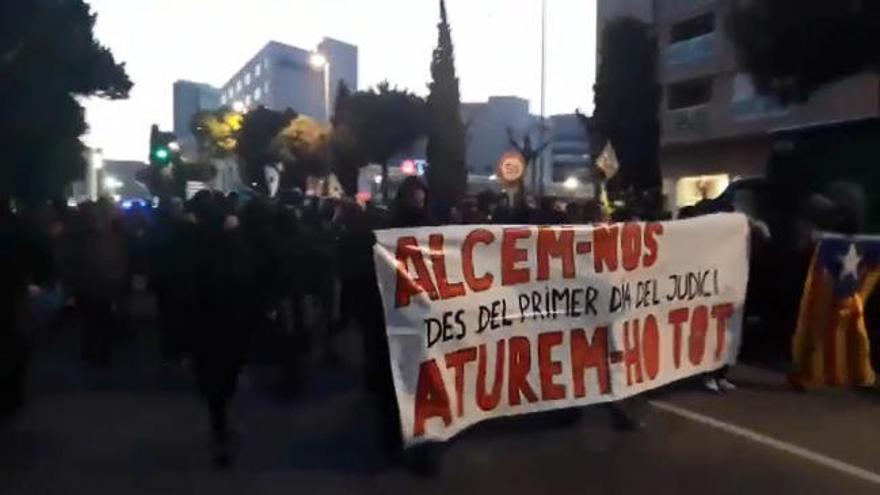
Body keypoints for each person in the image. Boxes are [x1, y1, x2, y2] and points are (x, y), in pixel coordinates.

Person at [188, 191, 257, 468]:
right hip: (230, 319)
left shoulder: (193, 241)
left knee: (211, 376)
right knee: (228, 371)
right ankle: (225, 422)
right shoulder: (233, 241)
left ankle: (219, 423)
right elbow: (245, 277)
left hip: (205, 320)